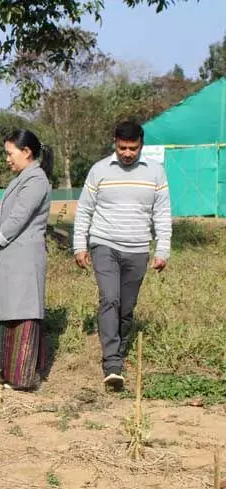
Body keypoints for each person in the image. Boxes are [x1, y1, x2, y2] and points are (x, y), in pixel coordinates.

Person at [73, 121, 171, 391]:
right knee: (110, 299)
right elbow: (84, 210)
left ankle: (119, 343)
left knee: (126, 309)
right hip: (104, 244)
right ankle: (112, 363)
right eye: (122, 147)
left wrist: (162, 249)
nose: (128, 153)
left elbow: (162, 214)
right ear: (114, 142)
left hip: (138, 248)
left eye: (133, 148)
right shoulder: (99, 170)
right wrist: (79, 245)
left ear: (141, 145)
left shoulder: (156, 172)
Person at [0, 129, 52, 391]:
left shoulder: (36, 180)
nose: (7, 159)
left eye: (10, 154)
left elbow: (18, 218)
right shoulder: (23, 177)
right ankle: (6, 373)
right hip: (12, 259)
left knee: (23, 315)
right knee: (9, 314)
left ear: (26, 152)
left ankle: (23, 378)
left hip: (23, 259)